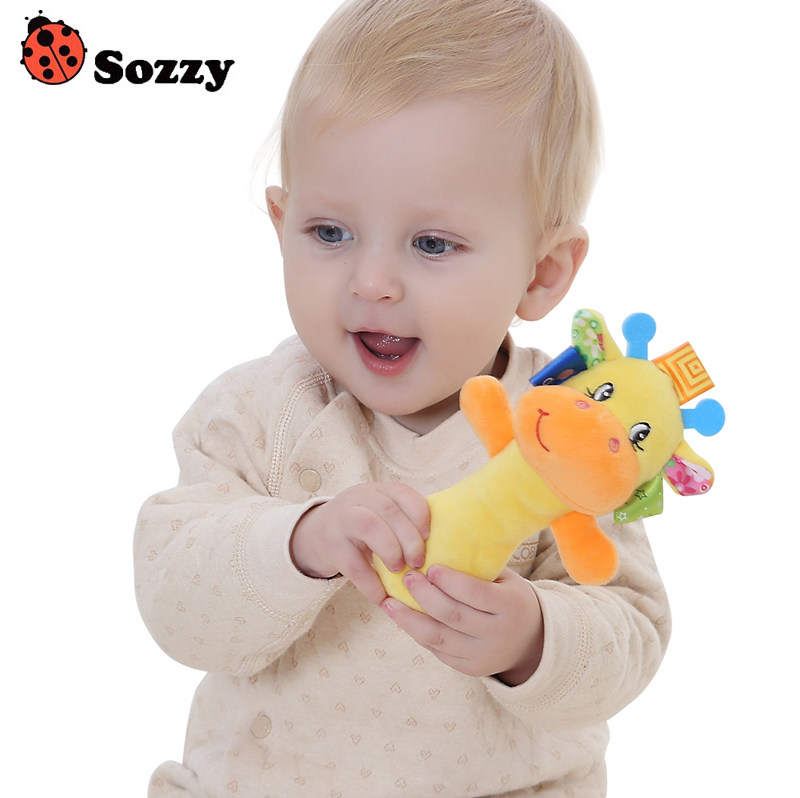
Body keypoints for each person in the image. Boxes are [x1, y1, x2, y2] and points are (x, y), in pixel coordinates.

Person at [134, 0, 670, 795]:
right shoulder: (257, 412)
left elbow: (632, 632)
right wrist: (298, 541)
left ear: (542, 271)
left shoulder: (565, 430)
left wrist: (533, 639)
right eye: (330, 232)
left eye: (431, 244)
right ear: (281, 223)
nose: (372, 282)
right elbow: (175, 600)